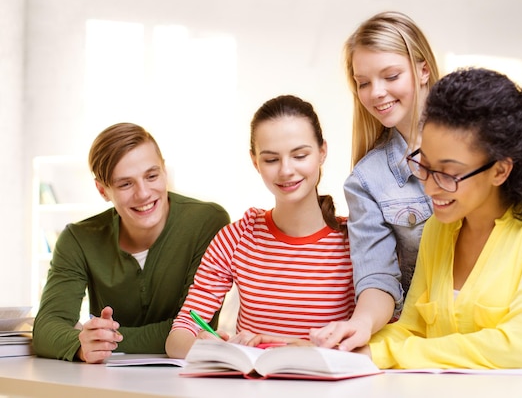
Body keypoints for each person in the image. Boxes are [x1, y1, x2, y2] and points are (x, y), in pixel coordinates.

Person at [310, 11, 522, 352]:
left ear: (422, 70)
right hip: (439, 358)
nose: (377, 93)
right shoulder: (414, 212)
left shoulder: (493, 138)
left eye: (391, 75)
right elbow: (382, 282)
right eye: (363, 82)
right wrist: (357, 333)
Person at [362, 67, 522, 369]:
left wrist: (383, 354)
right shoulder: (440, 226)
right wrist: (344, 349)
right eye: (424, 165)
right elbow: (411, 330)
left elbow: (516, 347)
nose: (429, 186)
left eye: (448, 173)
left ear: (500, 170)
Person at [165, 95, 354, 359]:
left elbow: (387, 336)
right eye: (271, 160)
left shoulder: (355, 241)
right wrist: (209, 347)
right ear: (255, 162)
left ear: (322, 152)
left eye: (300, 155)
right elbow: (179, 336)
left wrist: (316, 351)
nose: (286, 170)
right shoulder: (236, 237)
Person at [32, 123, 230, 363]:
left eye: (152, 176)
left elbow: (196, 327)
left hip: (189, 380)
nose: (143, 193)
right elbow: (46, 329)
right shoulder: (78, 239)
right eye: (125, 184)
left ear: (164, 171)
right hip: (105, 382)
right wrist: (81, 345)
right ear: (102, 190)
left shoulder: (206, 222)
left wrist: (102, 340)